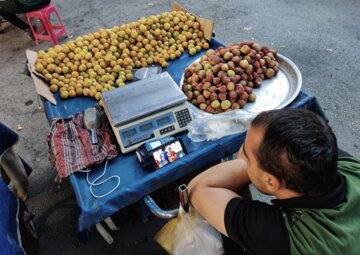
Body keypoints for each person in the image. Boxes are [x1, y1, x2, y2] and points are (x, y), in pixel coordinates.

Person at [189, 108, 360, 255]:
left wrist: (243, 165)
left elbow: (197, 189)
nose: (242, 155)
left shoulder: (286, 238)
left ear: (271, 182)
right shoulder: (350, 167)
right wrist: (255, 164)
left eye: (246, 156)